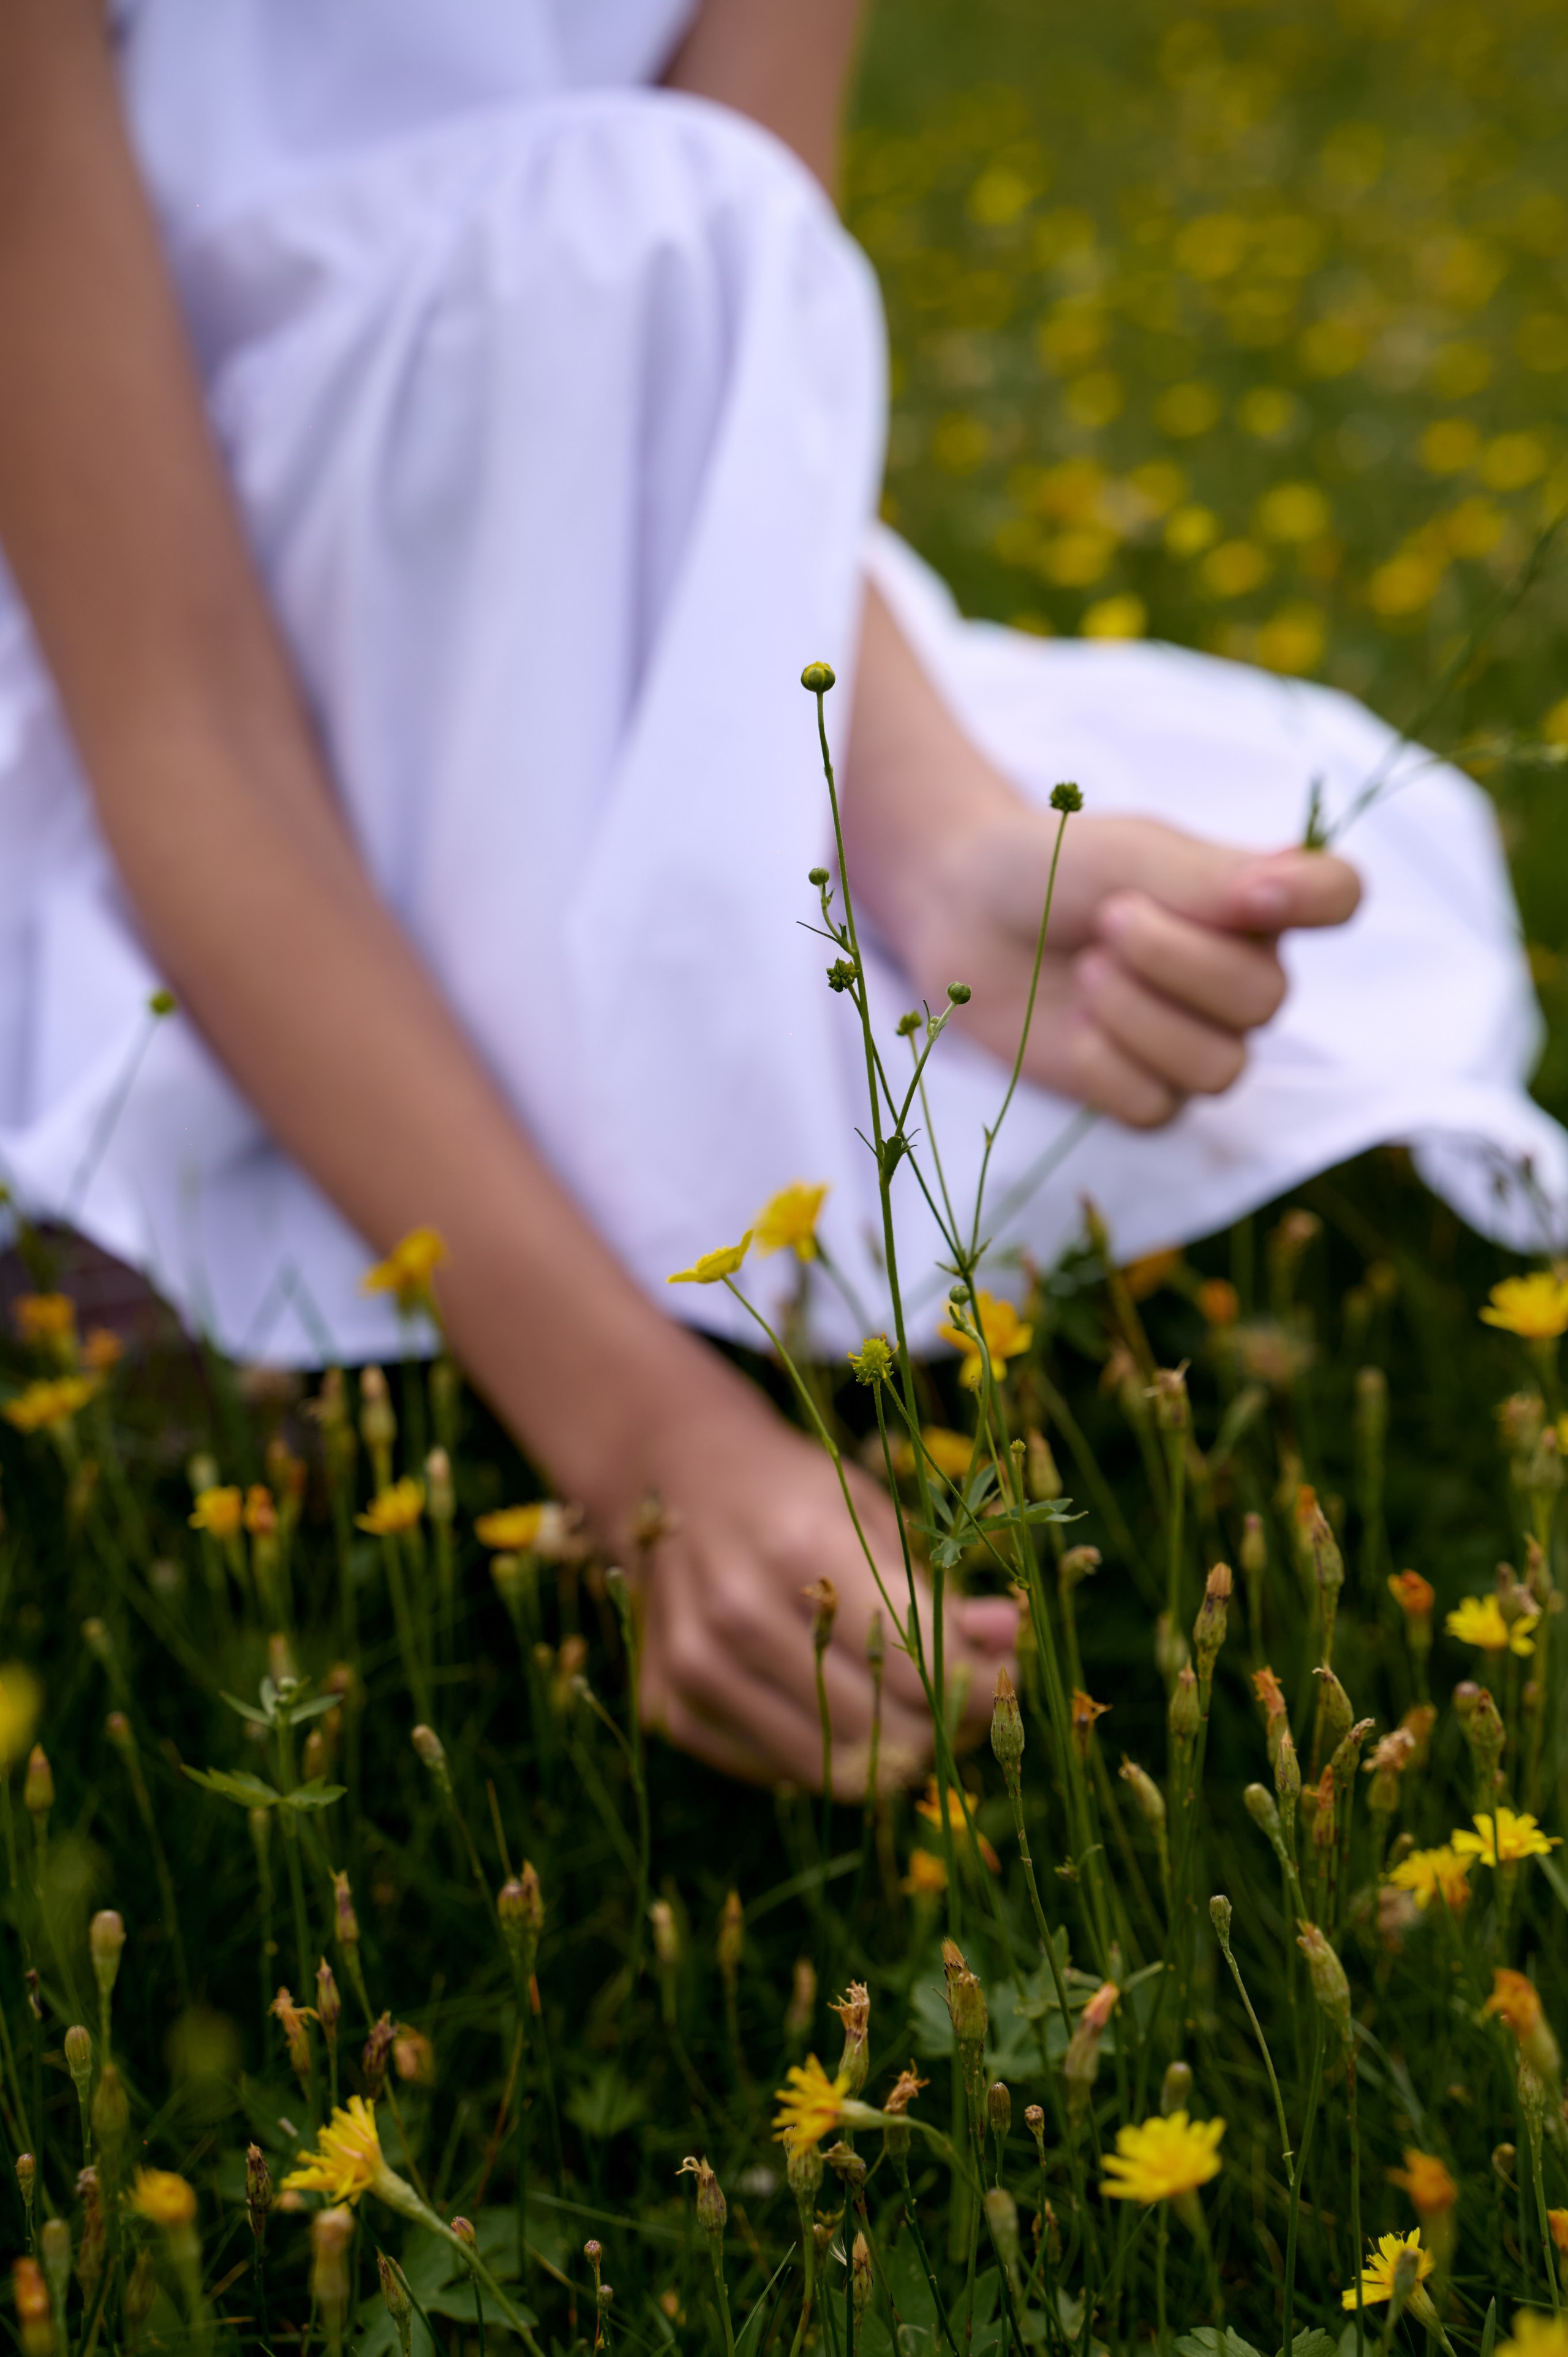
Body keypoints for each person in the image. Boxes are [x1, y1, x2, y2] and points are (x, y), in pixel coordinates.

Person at [1, 0, 1561, 1792]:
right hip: (145, 700)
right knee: (160, 1187)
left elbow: (745, 441)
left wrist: (946, 848)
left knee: (1241, 996)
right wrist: (661, 1446)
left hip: (582, 670)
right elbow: (180, 730)